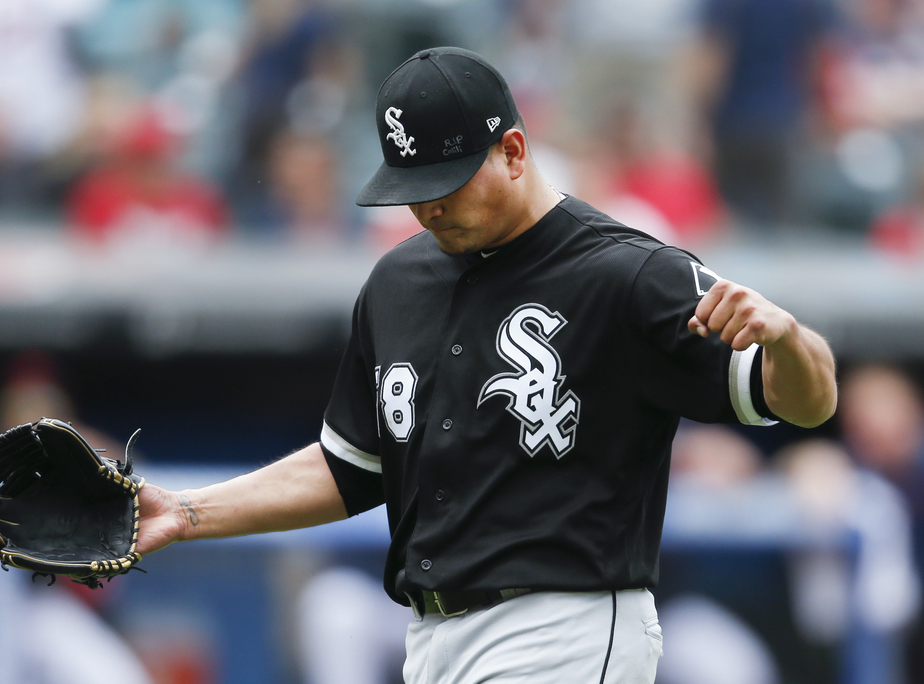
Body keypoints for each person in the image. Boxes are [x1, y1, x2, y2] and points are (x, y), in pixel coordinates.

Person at [136, 47, 837, 684]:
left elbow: (810, 400)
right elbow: (350, 467)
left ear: (513, 151)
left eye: (447, 182)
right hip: (429, 641)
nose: (429, 206)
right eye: (412, 185)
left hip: (564, 630)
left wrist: (789, 341)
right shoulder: (395, 283)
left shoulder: (627, 274)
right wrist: (189, 512)